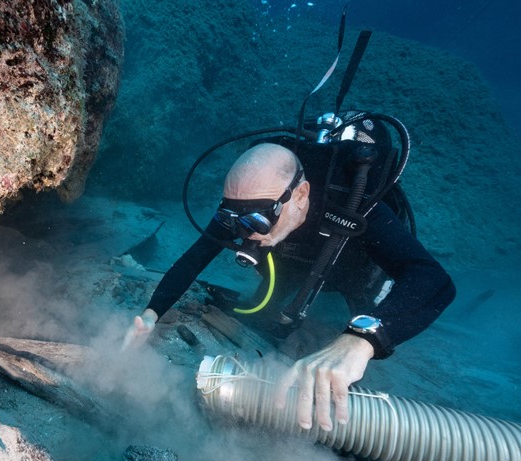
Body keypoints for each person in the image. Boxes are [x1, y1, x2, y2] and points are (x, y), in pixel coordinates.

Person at [124, 142, 455, 432]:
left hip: (353, 272)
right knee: (268, 318)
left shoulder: (353, 203)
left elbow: (434, 280)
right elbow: (193, 259)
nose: (245, 234)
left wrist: (363, 338)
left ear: (301, 194)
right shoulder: (245, 206)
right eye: (233, 222)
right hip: (293, 269)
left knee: (351, 357)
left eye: (257, 221)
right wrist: (151, 314)